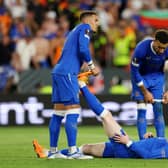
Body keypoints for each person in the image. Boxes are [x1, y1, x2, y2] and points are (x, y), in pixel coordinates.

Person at [33, 76, 168, 159]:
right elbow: (151, 148)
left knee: (106, 116)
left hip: (125, 148)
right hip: (126, 149)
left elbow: (147, 155)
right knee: (86, 148)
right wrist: (149, 139)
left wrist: (128, 142)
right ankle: (46, 153)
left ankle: (82, 85)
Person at [48, 10, 99, 159]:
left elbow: (74, 52)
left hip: (58, 71)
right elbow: (84, 49)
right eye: (96, 20)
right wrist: (91, 65)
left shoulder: (74, 30)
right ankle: (73, 151)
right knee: (74, 109)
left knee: (58, 113)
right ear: (88, 20)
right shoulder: (84, 28)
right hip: (67, 73)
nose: (97, 23)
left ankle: (53, 151)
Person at [130, 29, 168, 139]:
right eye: (159, 47)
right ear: (155, 41)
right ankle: (143, 142)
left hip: (157, 77)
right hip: (140, 77)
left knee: (158, 109)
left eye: (164, 48)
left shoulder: (166, 50)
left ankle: (161, 142)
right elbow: (134, 71)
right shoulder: (141, 49)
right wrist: (145, 92)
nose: (161, 51)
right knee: (142, 108)